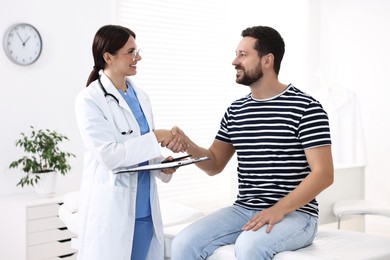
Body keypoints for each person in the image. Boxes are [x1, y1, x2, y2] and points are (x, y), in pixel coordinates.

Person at [171, 25, 334, 259]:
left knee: (250, 246)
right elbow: (215, 163)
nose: (234, 61)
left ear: (267, 60)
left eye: (243, 55)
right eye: (236, 54)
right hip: (244, 209)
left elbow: (324, 174)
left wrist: (278, 209)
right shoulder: (236, 110)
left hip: (297, 214)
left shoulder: (306, 108)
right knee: (183, 243)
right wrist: (187, 145)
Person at [74, 25, 188, 260]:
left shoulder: (141, 97)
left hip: (144, 211)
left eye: (137, 51)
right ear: (108, 57)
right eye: (131, 52)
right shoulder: (90, 100)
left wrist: (161, 164)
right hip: (113, 211)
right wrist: (156, 136)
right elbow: (110, 156)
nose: (139, 57)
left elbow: (139, 149)